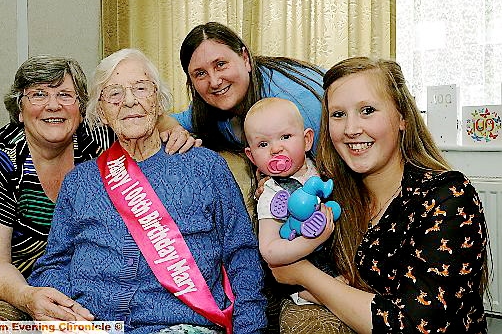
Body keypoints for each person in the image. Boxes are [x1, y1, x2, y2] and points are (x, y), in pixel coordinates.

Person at [28, 48, 267, 334]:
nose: (129, 101)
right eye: (114, 94)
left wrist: (250, 329)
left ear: (158, 100)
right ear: (101, 112)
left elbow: (241, 255)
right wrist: (65, 311)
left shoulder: (205, 167)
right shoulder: (80, 182)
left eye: (141, 88)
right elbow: (54, 263)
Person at [0, 55, 197, 321]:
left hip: (94, 283)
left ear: (82, 108)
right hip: (20, 286)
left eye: (65, 95)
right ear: (19, 109)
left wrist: (176, 131)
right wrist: (29, 297)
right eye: (38, 94)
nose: (53, 105)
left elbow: (143, 114)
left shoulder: (97, 137)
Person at [270, 57, 490, 333]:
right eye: (338, 115)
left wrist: (306, 275)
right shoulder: (331, 195)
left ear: (403, 118)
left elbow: (413, 326)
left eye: (367, 110)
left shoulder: (449, 196)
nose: (351, 129)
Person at [159, 21, 325, 155]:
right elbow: (167, 121)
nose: (214, 82)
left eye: (221, 64)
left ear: (245, 59)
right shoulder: (209, 108)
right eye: (200, 73)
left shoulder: (294, 104)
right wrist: (176, 132)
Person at [243, 97, 338, 306]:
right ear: (252, 157)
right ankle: (306, 294)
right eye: (263, 144)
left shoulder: (318, 167)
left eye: (285, 136)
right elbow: (269, 251)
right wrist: (311, 241)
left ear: (307, 140)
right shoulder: (270, 194)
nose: (276, 149)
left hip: (336, 257)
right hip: (301, 272)